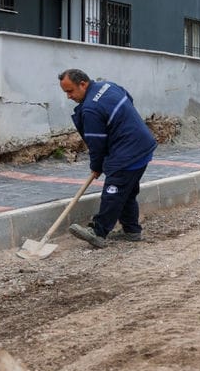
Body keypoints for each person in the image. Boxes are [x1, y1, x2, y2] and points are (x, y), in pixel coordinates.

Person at [58, 69, 157, 248]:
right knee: (126, 192)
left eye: (70, 91)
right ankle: (131, 231)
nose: (68, 96)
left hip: (128, 152)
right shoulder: (108, 86)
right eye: (66, 92)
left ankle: (98, 232)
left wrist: (97, 166)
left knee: (113, 191)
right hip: (143, 145)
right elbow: (129, 100)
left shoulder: (90, 109)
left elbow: (96, 144)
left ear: (83, 84)